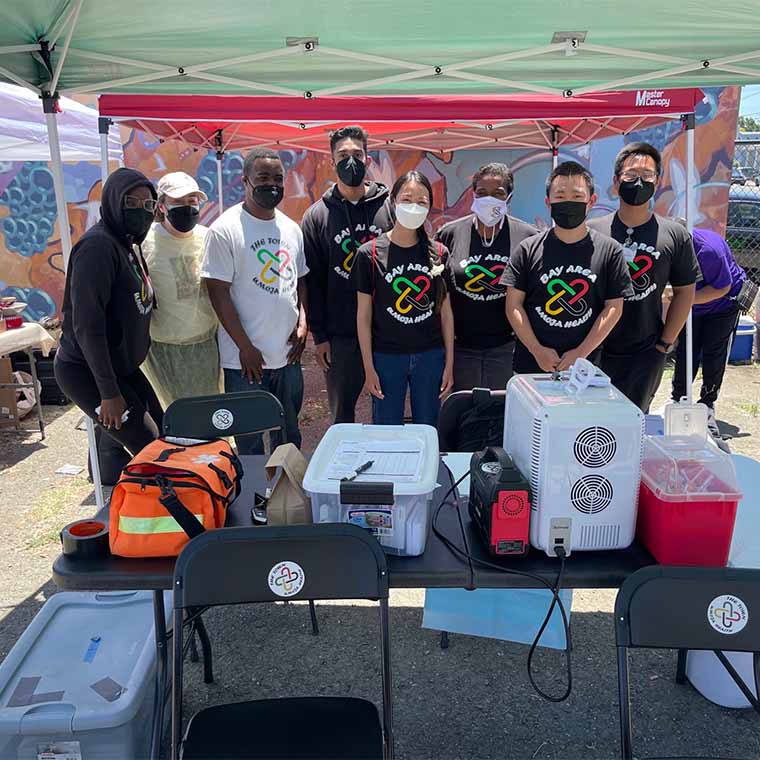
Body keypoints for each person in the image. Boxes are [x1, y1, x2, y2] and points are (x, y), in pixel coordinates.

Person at [201, 148, 308, 454]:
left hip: (287, 357)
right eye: (263, 178)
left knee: (289, 436)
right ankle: (253, 500)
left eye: (278, 178)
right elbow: (217, 291)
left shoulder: (291, 228)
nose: (271, 185)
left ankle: (288, 498)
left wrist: (303, 321)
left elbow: (300, 280)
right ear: (245, 180)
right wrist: (245, 347)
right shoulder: (225, 229)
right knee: (248, 442)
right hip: (244, 362)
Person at [54, 168, 163, 454]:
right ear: (114, 202)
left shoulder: (126, 242)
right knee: (149, 446)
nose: (141, 212)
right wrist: (108, 393)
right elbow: (87, 325)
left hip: (120, 367)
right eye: (131, 203)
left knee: (165, 433)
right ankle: (141, 497)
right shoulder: (98, 247)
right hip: (87, 371)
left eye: (148, 205)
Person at [587, 142, 698, 412]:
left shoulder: (675, 234)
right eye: (631, 174)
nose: (639, 182)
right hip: (591, 349)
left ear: (657, 182)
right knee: (586, 421)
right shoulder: (592, 231)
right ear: (616, 182)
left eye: (647, 175)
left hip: (644, 351)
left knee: (633, 423)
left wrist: (664, 343)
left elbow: (685, 292)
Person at [503, 161, 632, 374]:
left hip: (585, 370)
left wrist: (580, 353)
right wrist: (537, 350)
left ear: (591, 201)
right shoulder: (527, 249)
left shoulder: (610, 250)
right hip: (531, 366)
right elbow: (513, 305)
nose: (568, 202)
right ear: (548, 202)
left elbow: (614, 308)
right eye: (560, 196)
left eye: (577, 196)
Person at [302, 126, 393, 423]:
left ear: (368, 159)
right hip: (340, 335)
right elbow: (312, 281)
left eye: (357, 154)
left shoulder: (389, 209)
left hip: (386, 329)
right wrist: (321, 336)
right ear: (331, 161)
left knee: (388, 406)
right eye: (343, 155)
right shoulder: (317, 216)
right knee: (342, 412)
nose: (350, 161)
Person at [351, 171, 455, 426]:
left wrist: (449, 363)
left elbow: (446, 313)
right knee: (386, 430)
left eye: (422, 202)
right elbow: (363, 316)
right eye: (407, 199)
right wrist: (368, 367)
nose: (414, 207)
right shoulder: (369, 253)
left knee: (428, 427)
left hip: (430, 356)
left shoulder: (439, 252)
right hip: (387, 357)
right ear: (393, 202)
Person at [435, 162, 537, 390]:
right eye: (482, 193)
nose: (489, 198)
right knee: (463, 413)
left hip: (506, 348)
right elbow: (439, 292)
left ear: (509, 198)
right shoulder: (449, 234)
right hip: (460, 348)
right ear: (473, 195)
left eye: (498, 193)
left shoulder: (528, 237)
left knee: (499, 413)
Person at [141, 172, 219, 408]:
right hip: (163, 347)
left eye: (192, 201)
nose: (187, 207)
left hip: (205, 345)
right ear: (162, 206)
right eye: (178, 202)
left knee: (210, 413)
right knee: (174, 416)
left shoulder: (208, 238)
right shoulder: (145, 242)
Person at [672, 228, 751, 434]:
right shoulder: (669, 247)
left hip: (723, 305)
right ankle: (679, 398)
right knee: (686, 351)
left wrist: (682, 300)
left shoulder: (708, 251)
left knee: (714, 353)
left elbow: (722, 287)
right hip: (693, 306)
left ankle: (707, 403)